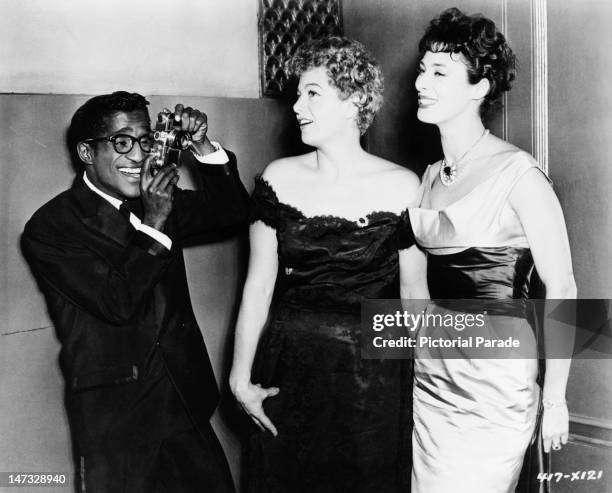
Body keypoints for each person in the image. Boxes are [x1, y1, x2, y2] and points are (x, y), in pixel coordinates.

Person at [22, 91, 249, 492]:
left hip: (184, 404)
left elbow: (234, 214)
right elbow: (118, 302)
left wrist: (202, 146)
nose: (138, 156)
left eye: (145, 141)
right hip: (116, 424)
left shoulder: (157, 201)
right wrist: (156, 221)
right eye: (121, 142)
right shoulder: (51, 227)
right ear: (86, 153)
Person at [229, 37, 428, 492]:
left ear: (354, 100)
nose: (297, 106)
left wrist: (429, 386)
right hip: (288, 371)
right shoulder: (277, 177)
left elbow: (416, 296)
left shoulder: (404, 186)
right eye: (298, 94)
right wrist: (240, 378)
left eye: (312, 93)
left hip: (373, 382)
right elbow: (258, 287)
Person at [408, 8, 576, 493]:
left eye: (440, 72)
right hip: (431, 381)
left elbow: (564, 287)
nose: (422, 80)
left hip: (494, 389)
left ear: (480, 88)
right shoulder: (429, 177)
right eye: (423, 68)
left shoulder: (520, 174)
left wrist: (556, 400)